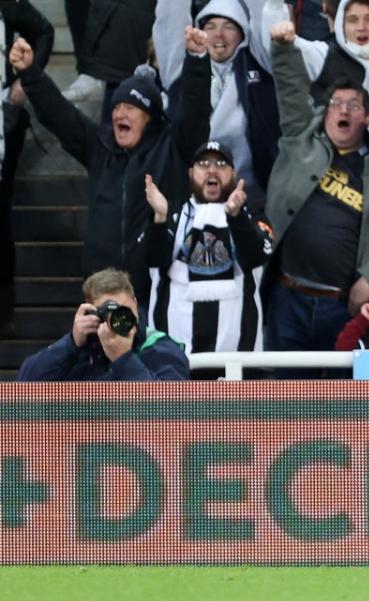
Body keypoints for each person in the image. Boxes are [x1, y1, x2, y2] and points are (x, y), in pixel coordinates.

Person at [9, 33, 211, 306]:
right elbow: (60, 115)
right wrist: (30, 73)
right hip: (102, 292)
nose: (119, 114)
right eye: (116, 106)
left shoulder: (173, 150)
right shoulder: (100, 149)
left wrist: (198, 61)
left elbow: (196, 113)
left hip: (158, 289)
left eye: (130, 107)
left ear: (149, 117)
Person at [265, 23, 369, 362]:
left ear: (368, 118)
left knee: (341, 402)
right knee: (288, 398)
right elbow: (289, 90)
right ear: (325, 112)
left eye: (354, 106)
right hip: (287, 295)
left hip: (341, 305)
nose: (343, 110)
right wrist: (283, 47)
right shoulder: (299, 139)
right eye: (336, 104)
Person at [144, 141, 274, 355]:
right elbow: (150, 258)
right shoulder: (171, 214)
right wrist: (158, 219)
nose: (212, 170)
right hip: (176, 361)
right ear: (190, 173)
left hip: (238, 360)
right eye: (204, 164)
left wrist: (236, 217)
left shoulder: (251, 216)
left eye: (221, 164)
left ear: (233, 173)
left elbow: (257, 255)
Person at [152, 0, 282, 201]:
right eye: (210, 27)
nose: (218, 34)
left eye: (229, 26)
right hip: (190, 194)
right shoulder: (182, 67)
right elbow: (170, 16)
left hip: (250, 195)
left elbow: (265, 18)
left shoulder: (262, 67)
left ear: (243, 33)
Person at [262, 0, 369, 158]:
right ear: (341, 24)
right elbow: (280, 49)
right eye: (352, 20)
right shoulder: (324, 56)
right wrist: (275, 10)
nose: (361, 27)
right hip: (346, 175)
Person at [17, 268, 189, 381]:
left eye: (124, 311)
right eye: (109, 314)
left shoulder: (159, 348)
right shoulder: (83, 349)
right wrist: (71, 343)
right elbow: (25, 384)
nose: (118, 321)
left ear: (135, 304)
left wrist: (123, 358)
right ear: (91, 311)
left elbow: (170, 413)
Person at [0, 0, 56, 338]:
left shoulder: (8, 5)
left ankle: (4, 308)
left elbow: (45, 31)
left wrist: (25, 82)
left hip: (4, 116)